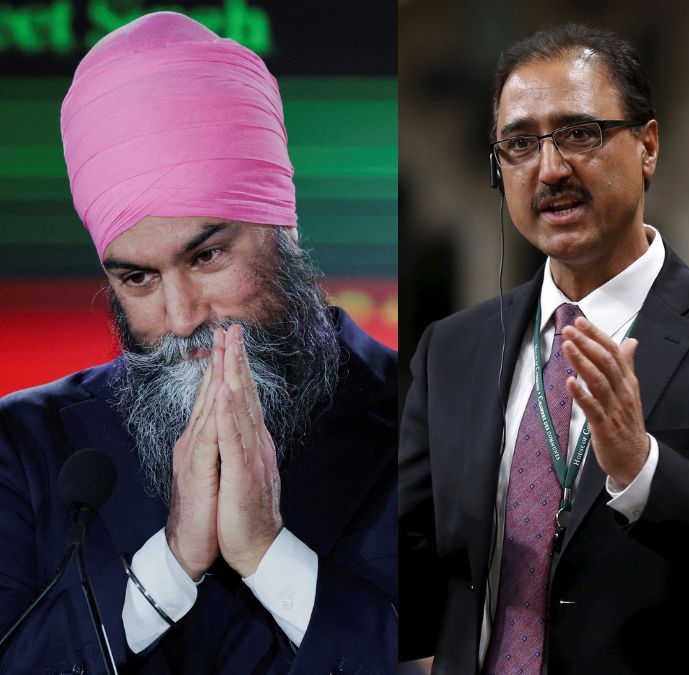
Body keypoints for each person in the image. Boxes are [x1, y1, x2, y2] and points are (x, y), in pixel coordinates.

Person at [0, 13, 397, 673]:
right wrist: (171, 564)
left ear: (283, 227)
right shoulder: (28, 450)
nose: (182, 317)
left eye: (207, 255)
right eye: (138, 278)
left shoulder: (425, 419)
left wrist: (270, 555)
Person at [400, 24, 689, 673]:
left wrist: (644, 471)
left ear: (649, 147)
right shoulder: (453, 350)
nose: (550, 168)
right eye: (520, 143)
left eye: (579, 133)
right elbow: (409, 588)